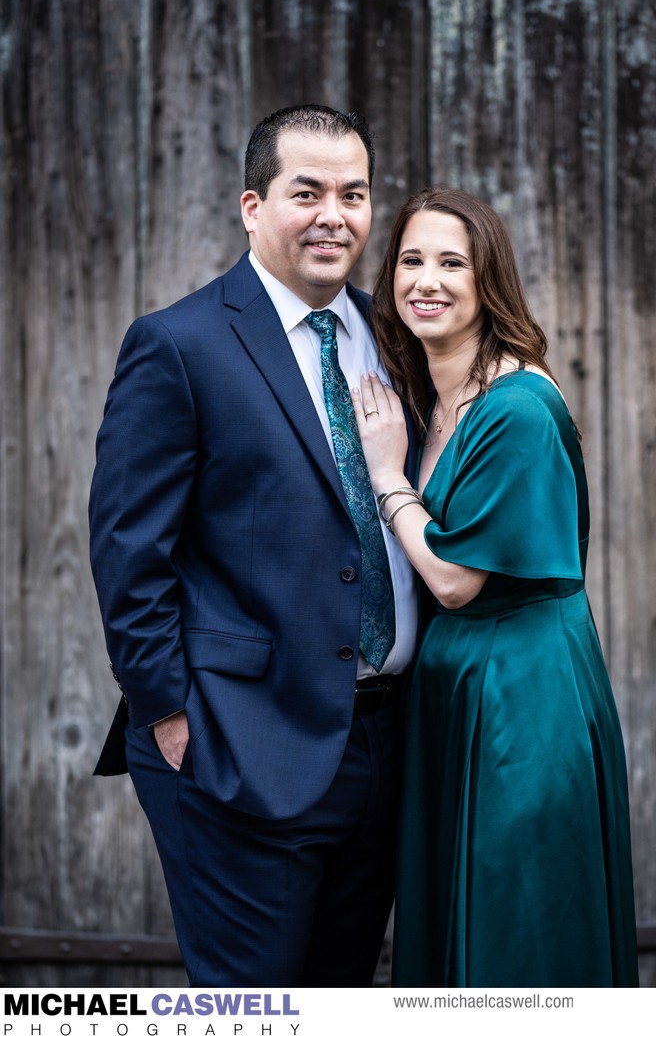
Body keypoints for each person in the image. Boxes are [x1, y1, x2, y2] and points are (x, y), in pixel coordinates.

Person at [88, 104, 419, 986]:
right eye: (304, 191)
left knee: (338, 998)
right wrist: (167, 711)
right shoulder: (179, 344)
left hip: (389, 744)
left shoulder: (394, 337)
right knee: (252, 1009)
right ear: (251, 206)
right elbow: (129, 549)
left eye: (353, 194)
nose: (333, 216)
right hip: (239, 743)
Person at [351, 187, 639, 987]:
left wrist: (385, 476)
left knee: (518, 928)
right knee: (458, 930)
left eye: (453, 262)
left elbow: (450, 580)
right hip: (455, 694)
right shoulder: (432, 397)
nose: (427, 280)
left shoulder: (515, 408)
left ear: (489, 282)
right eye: (411, 260)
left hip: (520, 701)